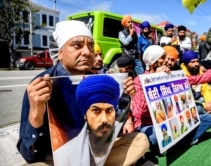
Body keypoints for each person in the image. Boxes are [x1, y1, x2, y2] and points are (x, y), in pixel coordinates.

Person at [17, 20, 149, 165]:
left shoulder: (97, 80)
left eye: (90, 46)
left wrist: (125, 99)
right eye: (77, 45)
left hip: (94, 152)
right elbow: (29, 156)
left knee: (140, 140)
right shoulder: (41, 86)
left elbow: (109, 131)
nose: (87, 52)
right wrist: (36, 113)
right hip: (58, 159)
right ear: (60, 53)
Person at [131, 45, 169, 156]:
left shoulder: (167, 76)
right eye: (163, 58)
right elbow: (138, 113)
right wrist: (153, 81)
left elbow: (196, 79)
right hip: (145, 125)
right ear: (153, 62)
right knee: (158, 137)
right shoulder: (139, 80)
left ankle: (173, 142)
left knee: (208, 119)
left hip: (165, 121)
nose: (166, 61)